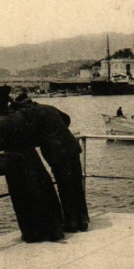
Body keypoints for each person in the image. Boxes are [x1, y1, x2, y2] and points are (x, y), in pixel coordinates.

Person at [0, 86, 64, 243]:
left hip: (15, 163)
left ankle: (33, 233)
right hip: (32, 158)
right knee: (42, 191)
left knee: (23, 196)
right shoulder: (20, 116)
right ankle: (53, 230)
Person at [12, 96, 90, 233]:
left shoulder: (32, 115)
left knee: (64, 186)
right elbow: (67, 119)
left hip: (57, 153)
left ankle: (71, 222)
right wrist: (57, 131)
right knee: (76, 184)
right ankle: (83, 220)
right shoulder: (48, 107)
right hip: (71, 147)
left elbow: (30, 135)